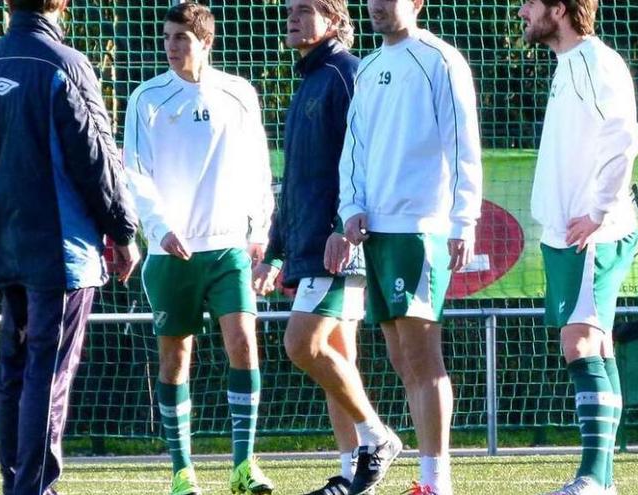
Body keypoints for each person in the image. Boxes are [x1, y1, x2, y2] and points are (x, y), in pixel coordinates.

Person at [0, 0, 141, 494]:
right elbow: (96, 158)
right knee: (47, 369)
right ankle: (34, 488)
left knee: (15, 368)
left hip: (6, 246)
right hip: (60, 249)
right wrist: (122, 231)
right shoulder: (65, 64)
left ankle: (18, 483)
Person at [122, 3, 275, 495]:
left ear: (206, 41)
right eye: (167, 37)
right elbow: (135, 172)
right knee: (175, 359)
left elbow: (258, 166)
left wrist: (260, 228)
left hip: (229, 246)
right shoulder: (146, 97)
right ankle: (182, 472)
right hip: (172, 254)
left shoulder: (239, 93)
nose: (171, 46)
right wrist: (159, 226)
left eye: (182, 38)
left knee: (244, 344)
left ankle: (243, 466)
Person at [337, 0, 483, 493]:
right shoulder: (370, 65)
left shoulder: (440, 59)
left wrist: (464, 220)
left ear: (417, 3)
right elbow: (354, 144)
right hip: (375, 229)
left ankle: (437, 482)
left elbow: (464, 144)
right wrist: (350, 204)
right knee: (401, 356)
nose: (378, 4)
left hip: (420, 226)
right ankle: (427, 477)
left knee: (422, 355)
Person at [252, 1, 396, 494]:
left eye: (307, 10)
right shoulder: (309, 82)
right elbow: (295, 183)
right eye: (290, 10)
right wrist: (275, 252)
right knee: (338, 360)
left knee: (303, 344)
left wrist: (342, 227)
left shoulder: (345, 74)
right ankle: (353, 473)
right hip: (310, 243)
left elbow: (362, 164)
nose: (292, 17)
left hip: (338, 244)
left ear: (335, 22)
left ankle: (378, 439)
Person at [518, 1, 638, 494]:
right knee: (595, 344)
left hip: (594, 232)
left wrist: (598, 210)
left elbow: (624, 137)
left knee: (581, 342)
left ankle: (592, 477)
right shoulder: (568, 63)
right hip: (566, 233)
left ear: (560, 9)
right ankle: (602, 481)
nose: (522, 11)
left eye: (530, 2)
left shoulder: (596, 61)